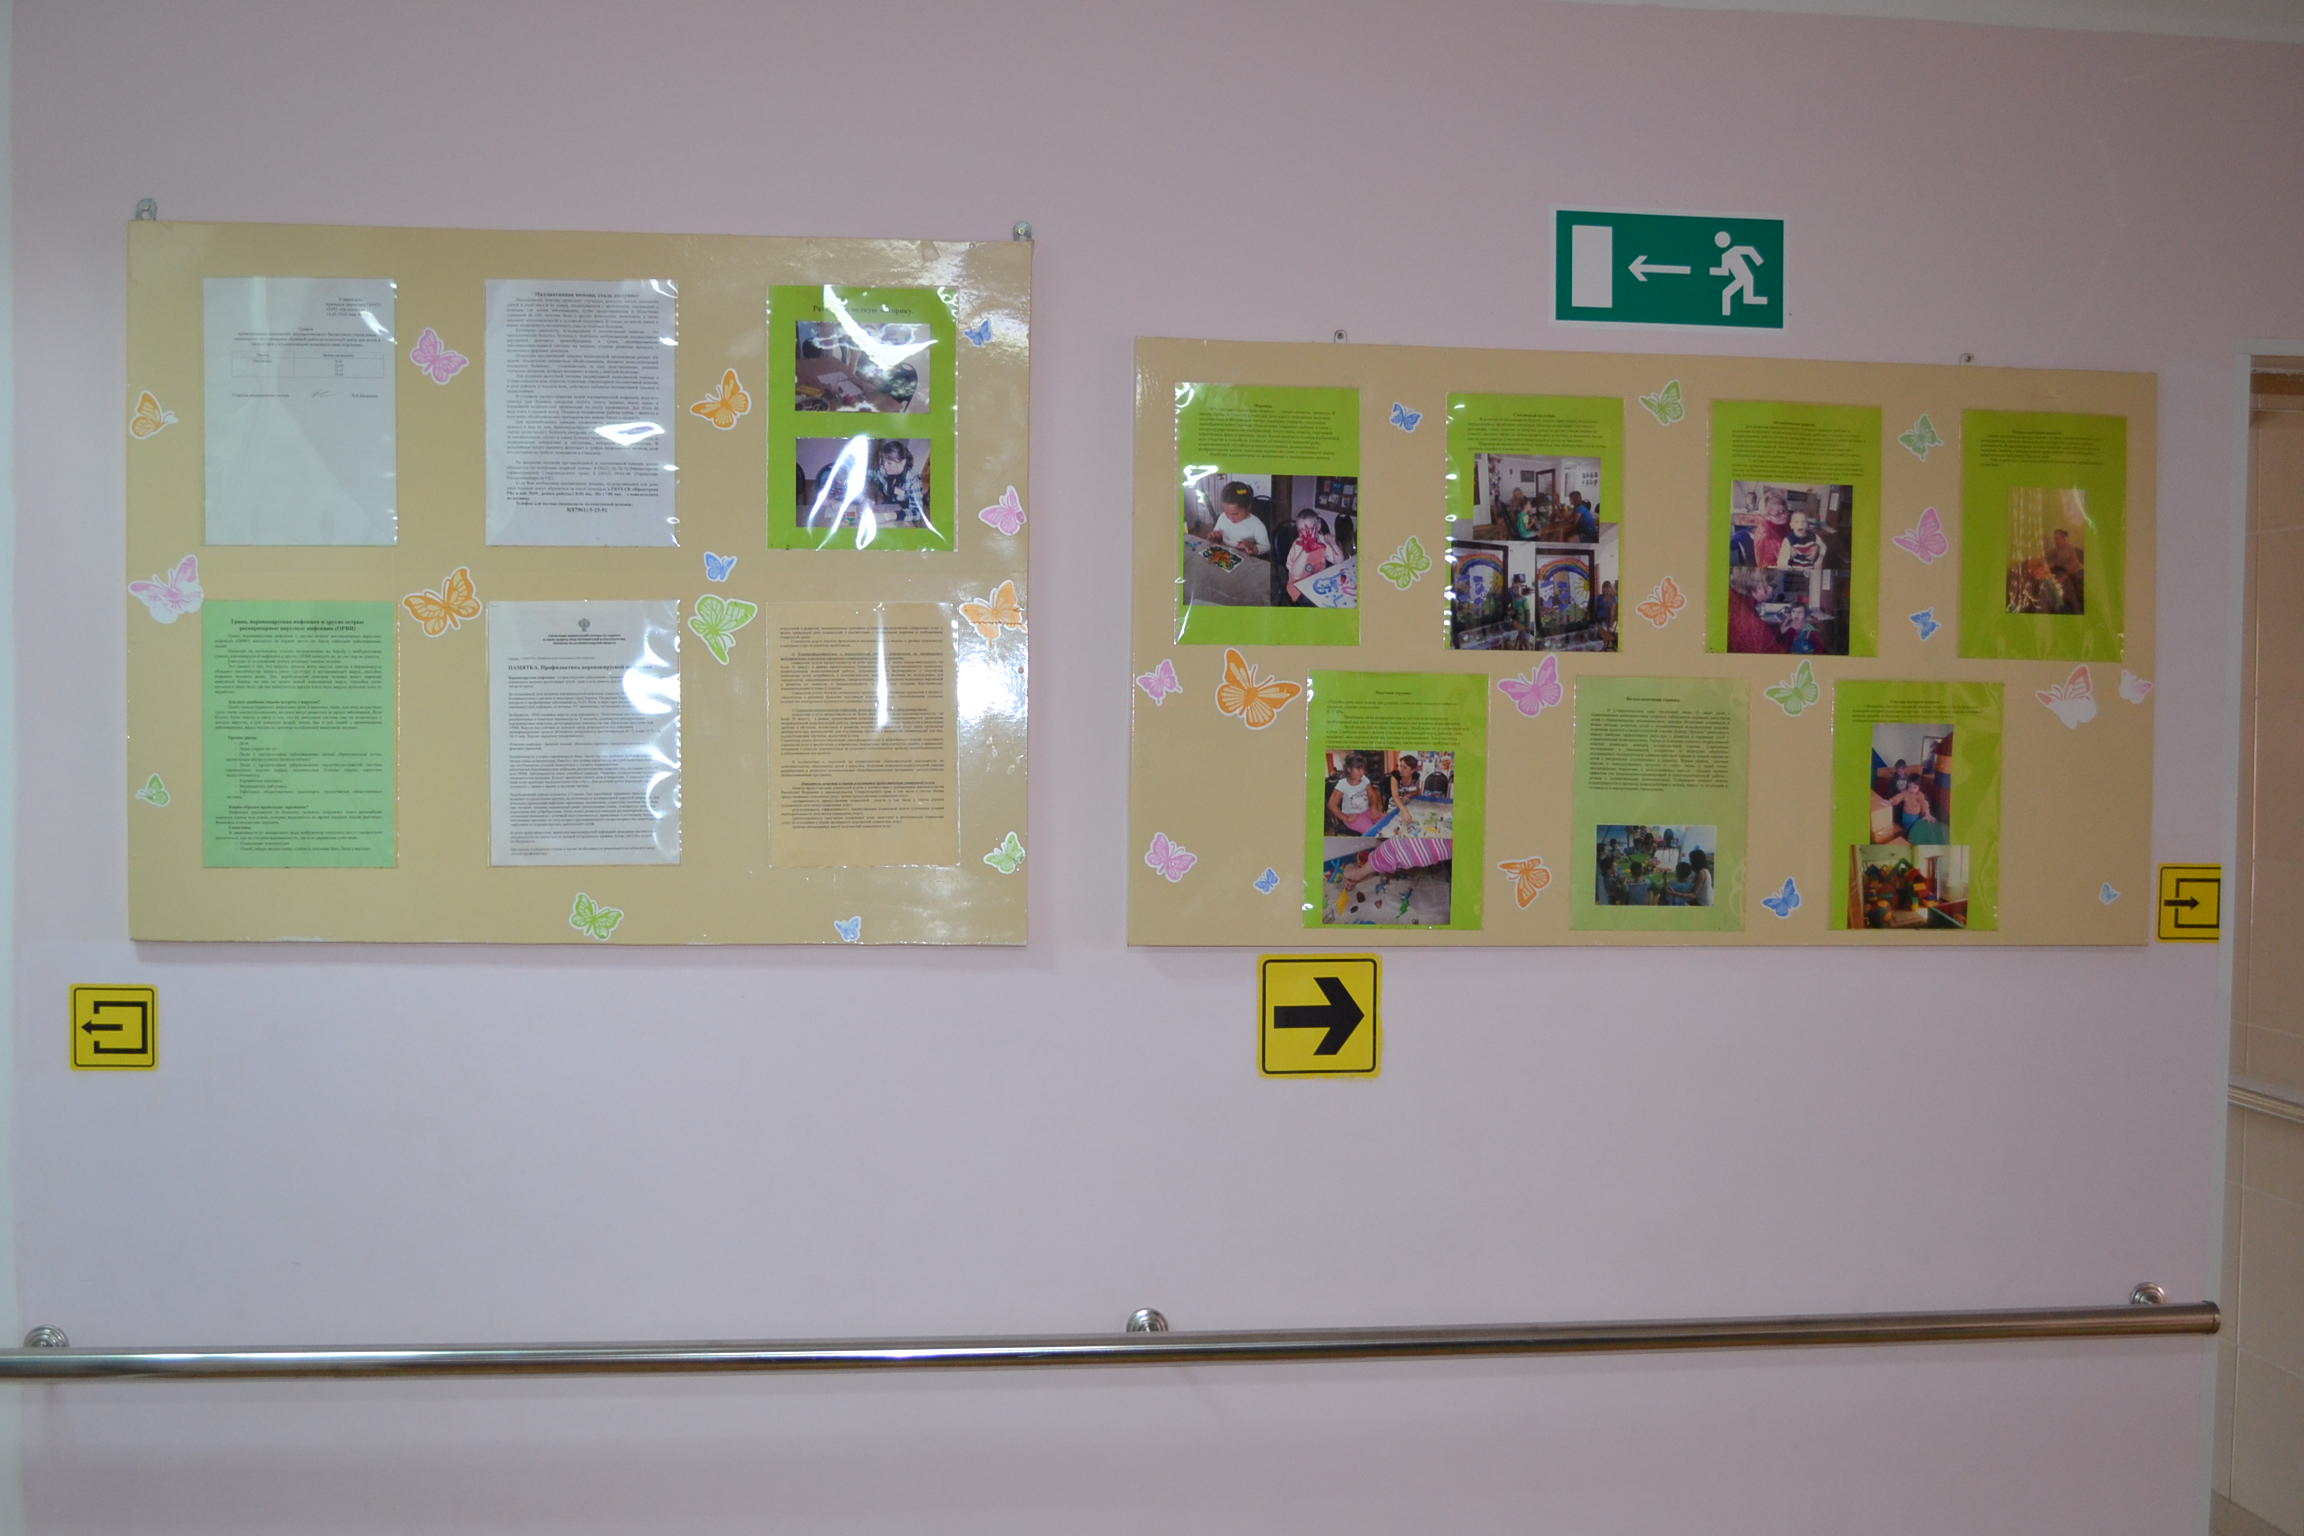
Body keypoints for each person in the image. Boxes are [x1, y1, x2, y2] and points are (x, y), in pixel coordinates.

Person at [1284, 509, 1344, 603]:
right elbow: (1295, 575)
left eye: (1310, 529)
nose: (1305, 534)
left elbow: (1339, 562)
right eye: (1301, 530)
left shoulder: (1321, 540)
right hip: (1298, 585)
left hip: (1318, 579)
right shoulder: (1298, 545)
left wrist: (1333, 544)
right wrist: (1306, 550)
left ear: (1318, 526)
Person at [867, 439, 927, 526]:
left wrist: (891, 516)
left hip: (905, 516)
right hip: (888, 509)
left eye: (889, 463)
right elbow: (873, 474)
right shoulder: (884, 470)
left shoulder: (913, 480)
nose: (884, 466)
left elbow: (917, 513)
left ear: (902, 462)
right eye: (883, 462)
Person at [1727, 566, 1787, 653]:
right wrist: (1789, 635)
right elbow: (1778, 657)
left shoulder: (1730, 597)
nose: (1771, 590)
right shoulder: (1754, 627)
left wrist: (1778, 632)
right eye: (1772, 585)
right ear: (1759, 587)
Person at [1327, 754, 1386, 835]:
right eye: (1358, 769)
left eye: (1363, 769)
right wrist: (1345, 818)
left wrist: (1374, 807)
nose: (1362, 772)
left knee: (1386, 823)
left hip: (1367, 811)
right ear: (1349, 769)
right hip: (1353, 816)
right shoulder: (1342, 784)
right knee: (1373, 832)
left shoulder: (1364, 779)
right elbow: (1331, 804)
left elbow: (1372, 795)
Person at [1208, 482, 1270, 556]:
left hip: (1244, 556)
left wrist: (1254, 549)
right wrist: (1214, 536)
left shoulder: (1257, 525)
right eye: (1226, 512)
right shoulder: (1222, 517)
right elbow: (1216, 532)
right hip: (1224, 554)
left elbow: (1266, 546)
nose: (1230, 517)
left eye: (1235, 514)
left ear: (1248, 507)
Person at [1751, 488, 1792, 568]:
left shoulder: (1783, 522)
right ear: (1767, 516)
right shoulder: (1765, 536)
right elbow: (1767, 567)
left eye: (1784, 511)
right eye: (1777, 514)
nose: (1784, 516)